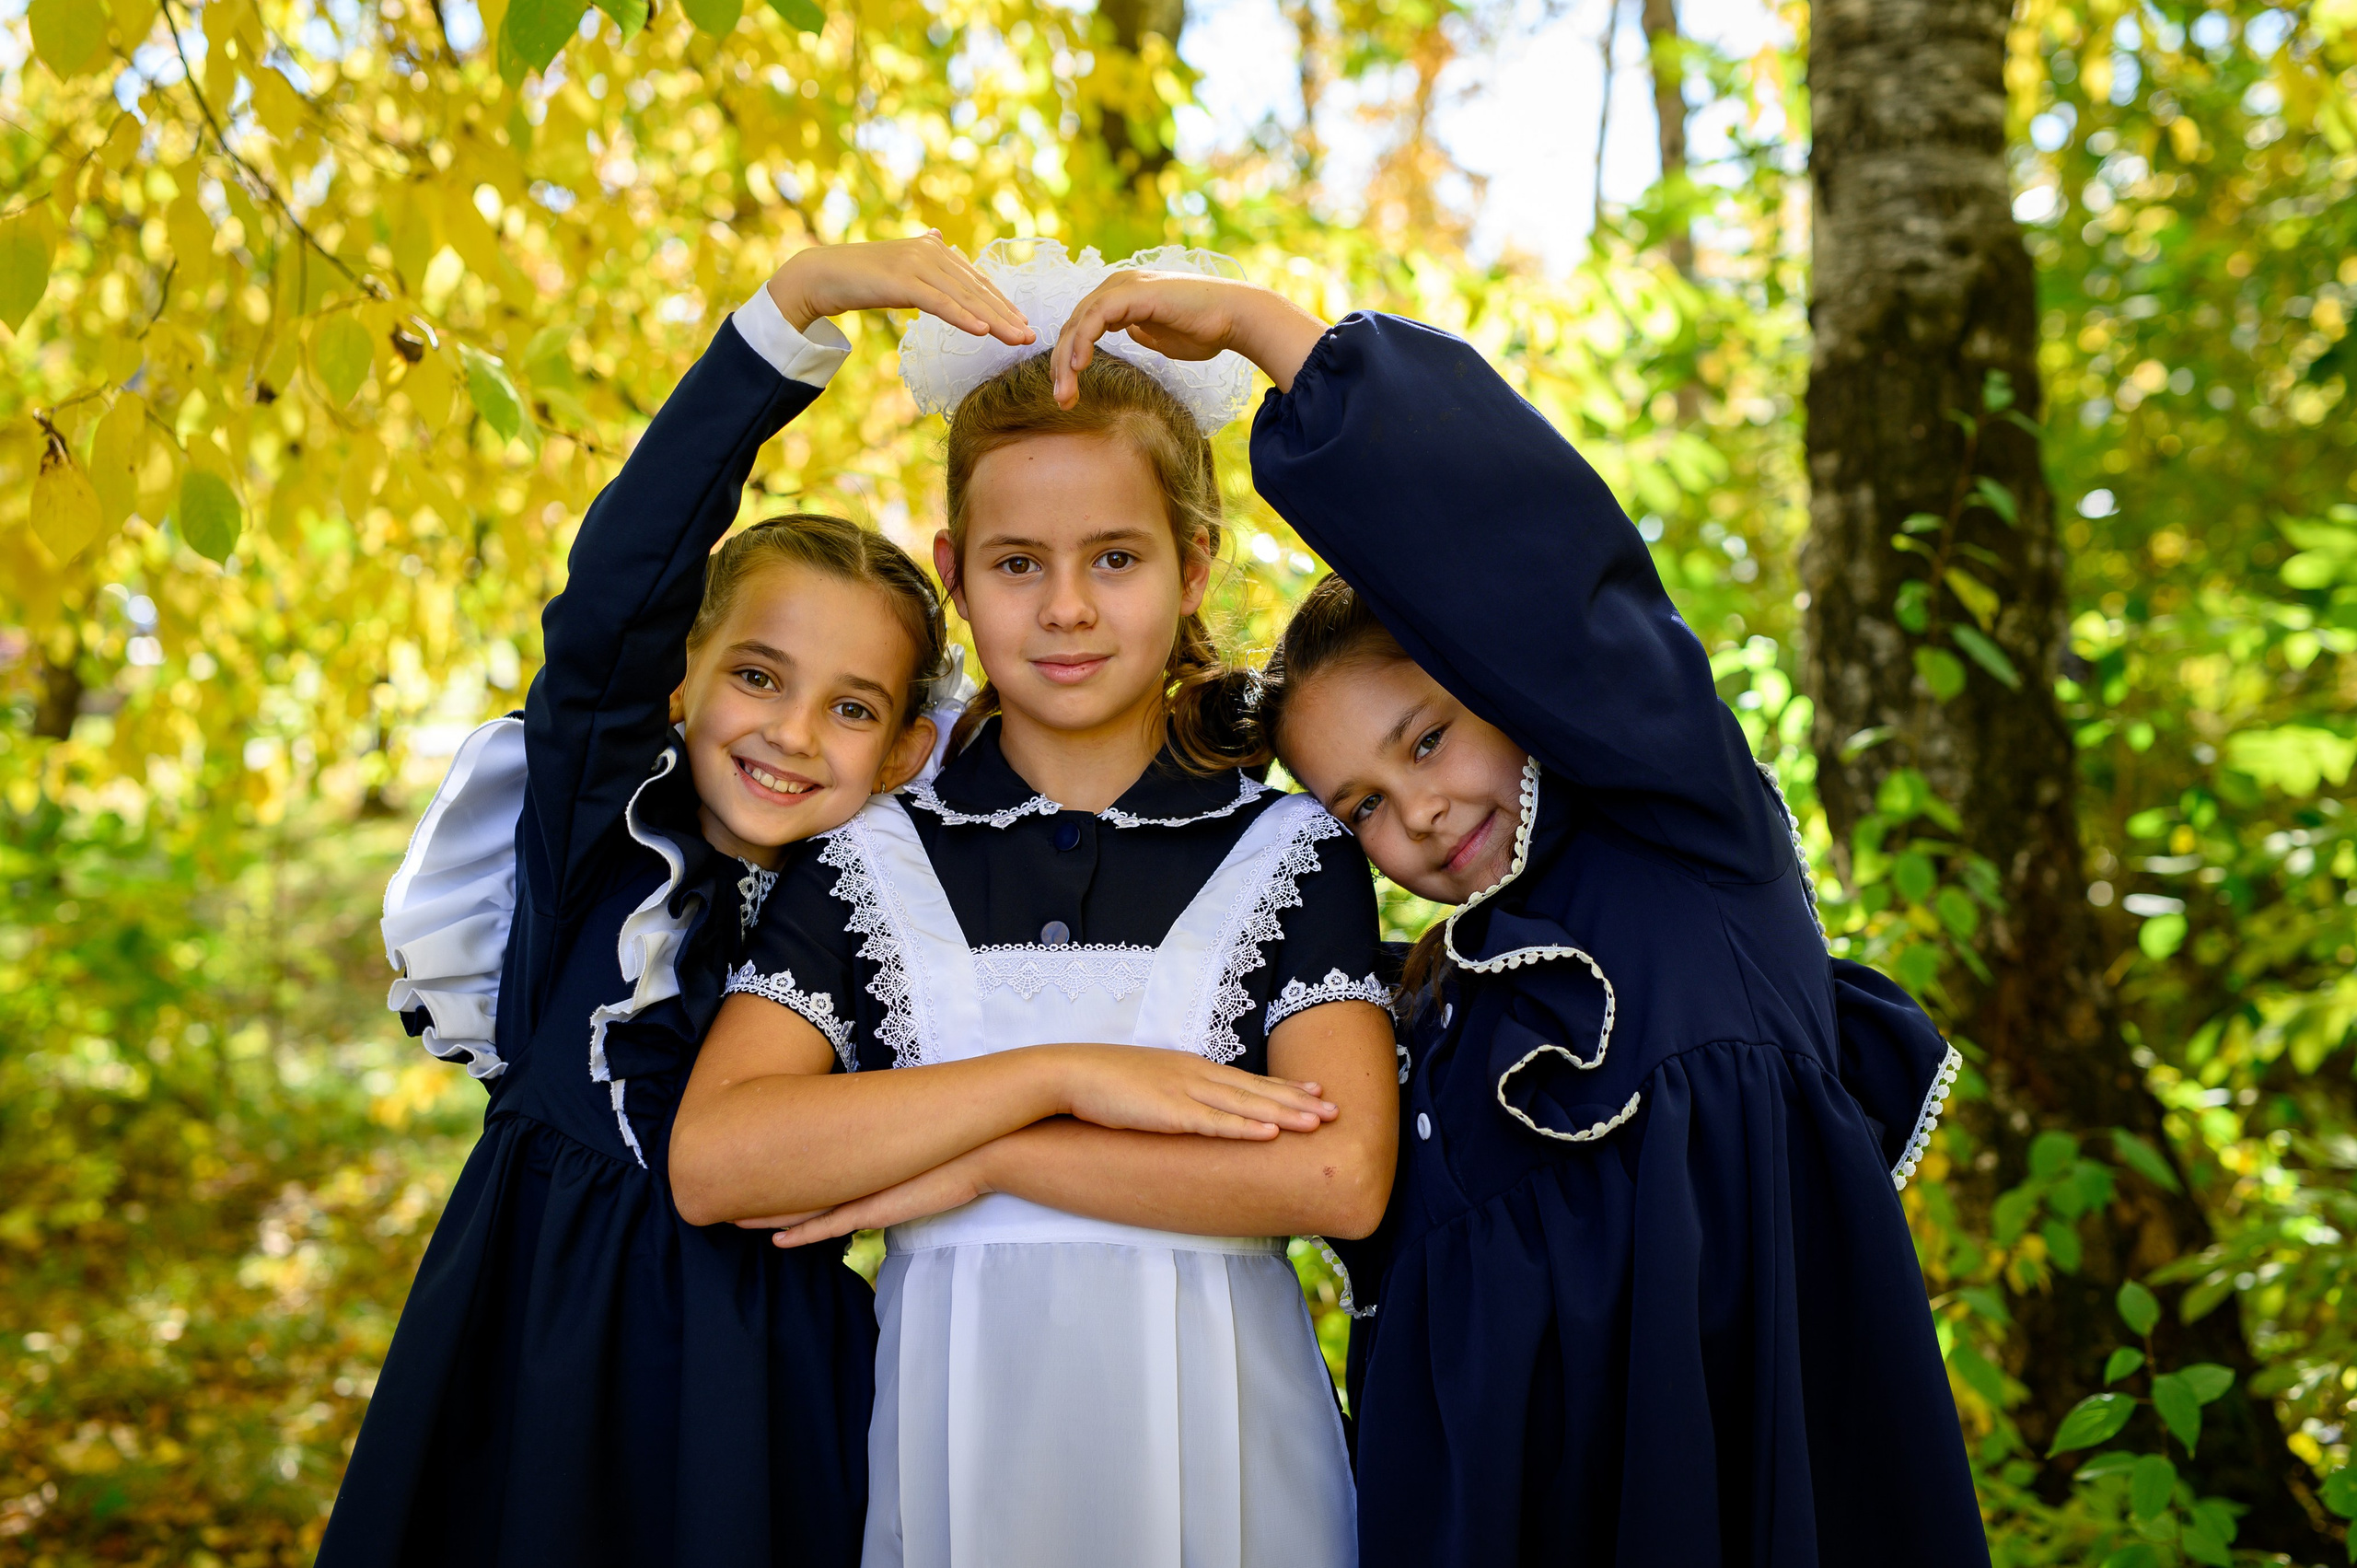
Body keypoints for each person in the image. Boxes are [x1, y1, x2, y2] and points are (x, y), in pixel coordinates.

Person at [1028, 271, 1990, 1564]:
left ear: (1504, 683)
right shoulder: (1408, 1023)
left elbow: (1534, 571)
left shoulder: (1686, 847)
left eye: (1430, 740)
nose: (1417, 813)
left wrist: (1274, 335)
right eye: (1361, 806)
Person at [669, 239, 1397, 1568]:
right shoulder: (872, 854)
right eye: (1017, 566)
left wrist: (991, 1164)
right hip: (959, 1456)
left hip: (1228, 1460)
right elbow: (721, 1158)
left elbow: (1340, 1178)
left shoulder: (1289, 847)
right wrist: (1063, 1076)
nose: (1065, 609)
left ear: (1193, 562)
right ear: (954, 570)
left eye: (1114, 560)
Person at [321, 238, 1033, 1568]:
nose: (793, 733)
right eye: (759, 676)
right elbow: (611, 602)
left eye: (853, 707)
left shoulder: (892, 925)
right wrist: (797, 311)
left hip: (759, 1391)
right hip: (535, 1359)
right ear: (686, 676)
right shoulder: (599, 842)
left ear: (903, 754)